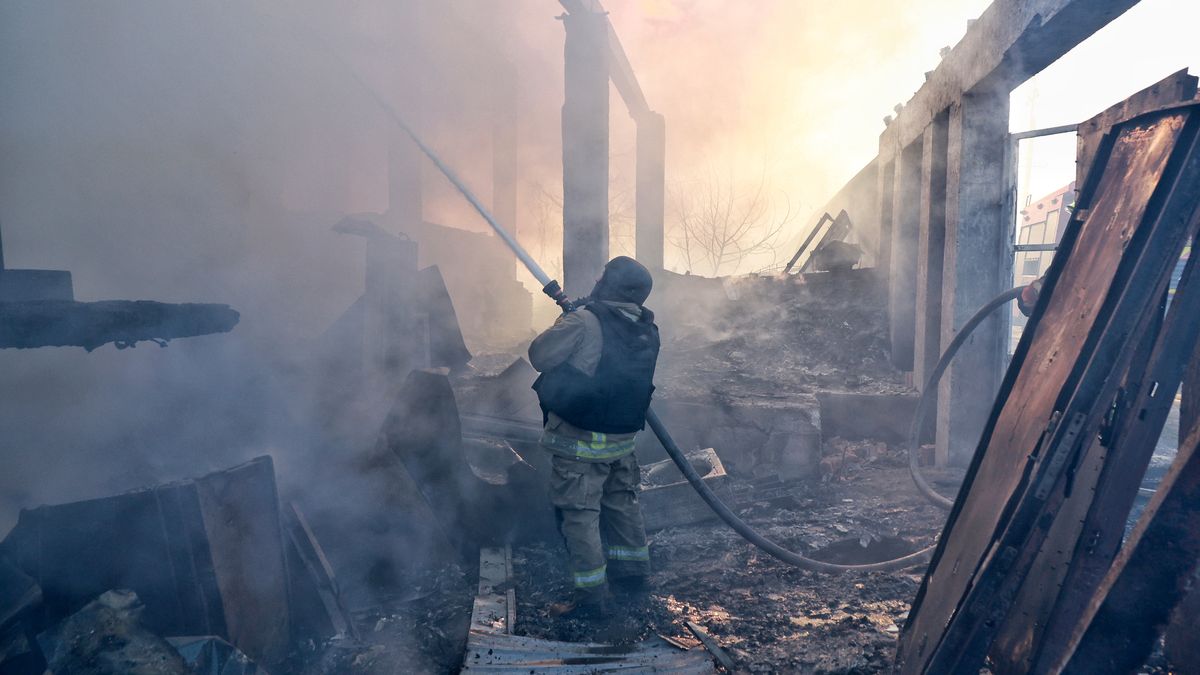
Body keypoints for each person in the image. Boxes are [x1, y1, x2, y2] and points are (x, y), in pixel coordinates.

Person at [528, 256, 660, 619]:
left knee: (580, 516)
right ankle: (633, 581)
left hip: (580, 443)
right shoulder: (646, 327)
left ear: (611, 284)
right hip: (622, 443)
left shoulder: (584, 322)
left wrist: (568, 319)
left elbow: (539, 355)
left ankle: (590, 601)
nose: (598, 278)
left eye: (604, 275)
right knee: (623, 507)